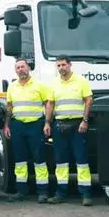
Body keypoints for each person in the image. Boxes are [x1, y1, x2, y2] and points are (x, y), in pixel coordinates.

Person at [3, 58, 51, 203]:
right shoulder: (12, 87)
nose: (20, 70)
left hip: (36, 125)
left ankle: (42, 192)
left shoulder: (40, 85)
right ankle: (21, 191)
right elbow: (9, 107)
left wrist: (47, 123)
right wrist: (7, 125)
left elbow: (48, 104)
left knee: (39, 160)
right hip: (18, 126)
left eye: (22, 67)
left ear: (28, 68)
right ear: (15, 71)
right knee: (20, 161)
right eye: (18, 68)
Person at [47, 56, 93, 206]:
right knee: (60, 161)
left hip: (77, 125)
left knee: (81, 160)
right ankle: (61, 193)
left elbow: (88, 100)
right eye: (58, 65)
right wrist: (47, 123)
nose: (61, 68)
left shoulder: (81, 81)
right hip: (59, 126)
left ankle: (86, 194)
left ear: (70, 65)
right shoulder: (54, 84)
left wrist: (85, 120)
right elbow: (50, 104)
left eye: (63, 65)